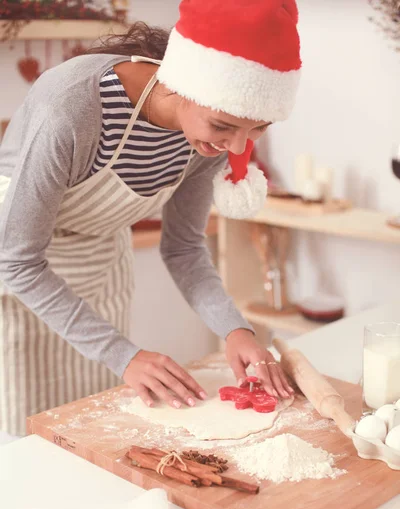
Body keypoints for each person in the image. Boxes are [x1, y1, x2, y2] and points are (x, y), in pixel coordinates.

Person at [0, 0, 301, 437]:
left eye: (256, 130)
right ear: (180, 84)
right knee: (29, 437)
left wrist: (236, 331)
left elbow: (182, 247)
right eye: (223, 126)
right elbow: (17, 260)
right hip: (19, 277)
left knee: (96, 429)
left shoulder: (208, 140)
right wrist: (123, 354)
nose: (237, 150)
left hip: (101, 266)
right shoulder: (71, 108)